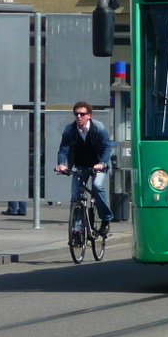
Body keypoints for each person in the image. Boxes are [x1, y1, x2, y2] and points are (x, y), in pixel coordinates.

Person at [56, 101, 113, 236]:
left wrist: (102, 163)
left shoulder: (98, 128)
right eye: (76, 114)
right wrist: (61, 164)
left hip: (98, 164)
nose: (79, 117)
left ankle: (105, 219)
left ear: (89, 116)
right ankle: (77, 229)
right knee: (76, 196)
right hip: (81, 165)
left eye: (82, 114)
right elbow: (63, 149)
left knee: (97, 186)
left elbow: (106, 147)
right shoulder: (69, 130)